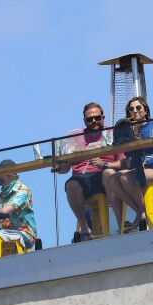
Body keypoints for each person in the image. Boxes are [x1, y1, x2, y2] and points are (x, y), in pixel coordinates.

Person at [56, 102, 124, 241]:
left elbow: (122, 163)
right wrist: (65, 159)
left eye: (97, 118)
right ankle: (85, 228)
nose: (93, 121)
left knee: (109, 174)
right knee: (71, 185)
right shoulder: (75, 137)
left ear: (103, 118)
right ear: (84, 121)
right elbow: (63, 170)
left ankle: (121, 226)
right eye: (89, 119)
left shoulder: (112, 134)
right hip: (83, 178)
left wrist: (104, 164)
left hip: (104, 174)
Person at [104, 96, 153, 231]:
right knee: (113, 179)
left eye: (138, 108)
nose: (135, 111)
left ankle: (142, 213)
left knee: (126, 177)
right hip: (138, 169)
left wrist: (145, 162)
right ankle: (139, 211)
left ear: (146, 110)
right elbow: (129, 155)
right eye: (131, 109)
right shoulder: (129, 130)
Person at [0, 159, 37, 250]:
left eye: (0, 172)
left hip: (25, 234)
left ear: (9, 174)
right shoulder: (1, 195)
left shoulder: (22, 190)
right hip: (5, 235)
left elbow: (4, 212)